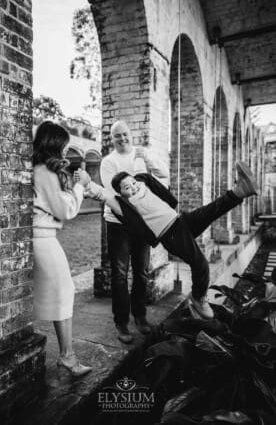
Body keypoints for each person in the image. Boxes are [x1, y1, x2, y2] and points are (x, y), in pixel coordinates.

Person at [85, 160, 259, 320]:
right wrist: (87, 183)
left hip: (180, 221)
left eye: (133, 183)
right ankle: (199, 297)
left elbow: (140, 168)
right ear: (122, 194)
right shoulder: (125, 205)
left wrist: (141, 156)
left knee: (212, 210)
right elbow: (104, 195)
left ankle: (241, 190)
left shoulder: (143, 183)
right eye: (127, 188)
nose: (133, 187)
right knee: (201, 264)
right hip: (171, 235)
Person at [100, 120, 169, 344]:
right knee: (120, 274)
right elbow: (116, 194)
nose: (122, 138)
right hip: (118, 222)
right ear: (113, 138)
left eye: (125, 134)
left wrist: (146, 158)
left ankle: (140, 316)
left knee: (142, 271)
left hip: (142, 222)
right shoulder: (108, 162)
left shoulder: (142, 155)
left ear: (132, 135)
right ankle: (121, 322)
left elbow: (163, 173)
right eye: (117, 136)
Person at [33, 120, 92, 376]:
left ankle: (68, 355)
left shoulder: (37, 169)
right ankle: (67, 356)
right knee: (64, 291)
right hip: (43, 238)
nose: (66, 151)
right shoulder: (45, 171)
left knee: (60, 292)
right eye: (64, 146)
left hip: (40, 236)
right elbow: (65, 209)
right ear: (55, 144)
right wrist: (80, 185)